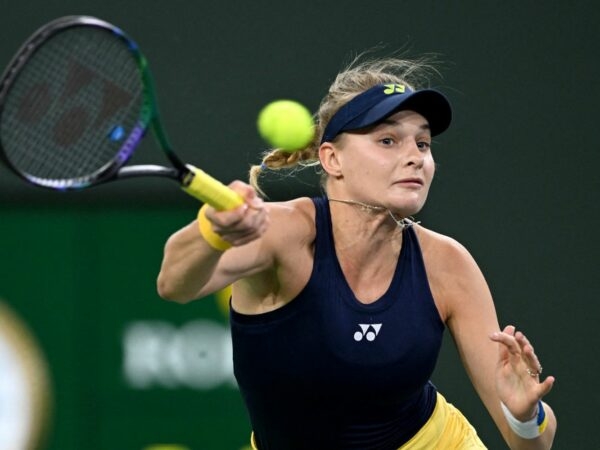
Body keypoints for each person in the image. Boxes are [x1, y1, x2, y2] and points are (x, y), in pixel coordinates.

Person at [157, 55, 557, 449]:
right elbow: (173, 284)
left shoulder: (447, 264)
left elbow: (531, 446)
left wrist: (526, 416)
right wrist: (212, 229)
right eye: (388, 140)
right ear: (333, 159)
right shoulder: (285, 235)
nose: (416, 156)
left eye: (423, 142)